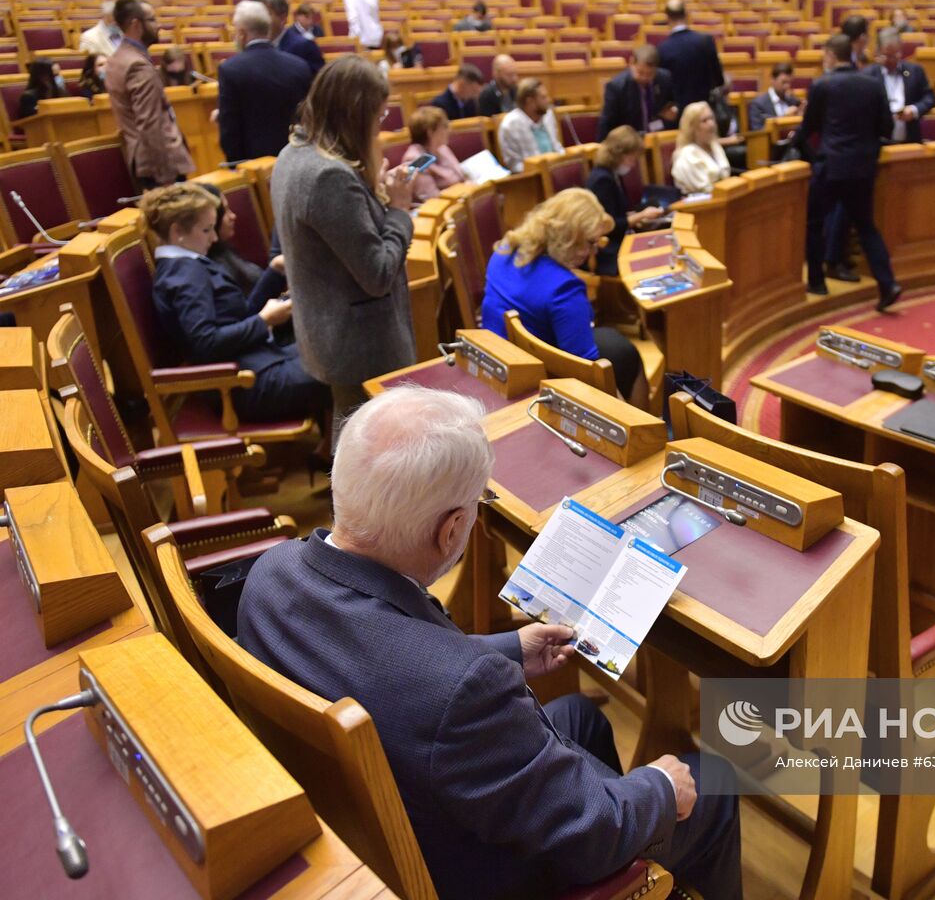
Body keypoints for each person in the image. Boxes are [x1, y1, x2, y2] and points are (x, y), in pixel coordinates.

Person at [238, 386, 742, 900]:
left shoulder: (270, 575)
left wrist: (507, 650)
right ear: (451, 529)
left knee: (582, 720)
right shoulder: (463, 693)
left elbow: (379, 658)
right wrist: (658, 788)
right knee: (712, 783)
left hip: (372, 826)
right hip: (477, 873)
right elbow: (592, 837)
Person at [271, 56, 416, 443]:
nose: (379, 126)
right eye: (378, 115)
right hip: (359, 344)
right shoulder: (329, 176)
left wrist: (373, 196)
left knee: (355, 441)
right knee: (368, 451)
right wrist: (399, 210)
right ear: (356, 114)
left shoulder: (292, 154)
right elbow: (377, 273)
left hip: (331, 330)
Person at [142, 183, 329, 423]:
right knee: (346, 364)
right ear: (177, 230)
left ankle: (327, 451)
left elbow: (236, 316)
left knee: (339, 347)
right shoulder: (184, 275)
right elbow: (205, 341)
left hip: (259, 361)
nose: (215, 237)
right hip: (244, 382)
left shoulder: (188, 265)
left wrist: (272, 274)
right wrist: (264, 320)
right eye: (207, 229)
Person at [481, 189, 645, 405]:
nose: (594, 251)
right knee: (627, 355)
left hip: (495, 361)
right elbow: (587, 374)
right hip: (542, 381)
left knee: (616, 345)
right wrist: (633, 421)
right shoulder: (564, 289)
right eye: (590, 242)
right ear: (568, 240)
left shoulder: (505, 248)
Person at [792, 34, 901, 310]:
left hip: (831, 166)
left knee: (814, 223)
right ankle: (887, 283)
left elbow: (809, 128)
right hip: (863, 168)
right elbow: (886, 127)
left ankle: (816, 281)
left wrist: (804, 151)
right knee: (866, 227)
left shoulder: (822, 85)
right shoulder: (873, 84)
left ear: (830, 55)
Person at [107, 0, 195, 189]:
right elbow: (150, 122)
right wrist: (165, 176)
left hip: (144, 161)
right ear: (136, 24)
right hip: (160, 165)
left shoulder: (117, 59)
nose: (159, 25)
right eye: (153, 20)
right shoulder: (136, 65)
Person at [218, 0, 314, 164]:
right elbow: (309, 118)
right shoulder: (299, 66)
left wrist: (236, 165)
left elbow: (230, 131)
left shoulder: (230, 69)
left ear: (242, 33)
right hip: (298, 159)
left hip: (254, 165)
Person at [587, 127, 664, 276]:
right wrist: (641, 216)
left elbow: (617, 212)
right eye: (632, 158)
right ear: (618, 154)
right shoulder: (602, 180)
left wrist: (638, 216)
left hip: (620, 240)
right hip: (608, 248)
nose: (634, 163)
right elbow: (609, 225)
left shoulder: (612, 174)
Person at [864, 27, 935, 143]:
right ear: (878, 52)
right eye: (886, 55)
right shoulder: (868, 75)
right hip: (878, 142)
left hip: (910, 141)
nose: (891, 60)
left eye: (895, 55)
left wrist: (914, 110)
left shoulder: (914, 71)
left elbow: (930, 98)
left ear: (900, 51)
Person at [196, 181, 263, 294]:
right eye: (225, 211)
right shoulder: (206, 269)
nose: (233, 216)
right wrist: (274, 271)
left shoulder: (223, 249)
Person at [658, 0, 724, 110]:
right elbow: (718, 79)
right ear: (687, 16)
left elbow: (663, 85)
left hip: (679, 110)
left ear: (667, 18)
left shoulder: (662, 48)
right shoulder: (706, 41)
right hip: (705, 107)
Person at [598, 44, 676, 138]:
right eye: (640, 72)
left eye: (650, 74)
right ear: (631, 63)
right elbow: (607, 123)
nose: (644, 78)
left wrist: (673, 110)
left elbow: (674, 103)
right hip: (629, 141)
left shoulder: (664, 78)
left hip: (658, 135)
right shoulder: (617, 87)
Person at [497, 78, 563, 172]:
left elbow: (557, 147)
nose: (548, 101)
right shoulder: (510, 125)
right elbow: (513, 164)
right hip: (531, 178)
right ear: (529, 101)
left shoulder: (548, 114)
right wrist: (540, 170)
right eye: (543, 97)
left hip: (556, 169)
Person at [252, 0, 324, 75]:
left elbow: (318, 84)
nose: (259, 21)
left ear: (282, 18)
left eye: (266, 14)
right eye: (256, 15)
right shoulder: (250, 46)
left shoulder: (304, 47)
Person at [403, 105, 467, 201]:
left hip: (462, 199)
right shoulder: (414, 159)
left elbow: (461, 177)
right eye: (444, 126)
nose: (449, 130)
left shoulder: (442, 149)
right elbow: (431, 198)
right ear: (430, 132)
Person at [670, 102, 730, 195]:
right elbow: (704, 190)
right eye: (704, 121)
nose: (711, 124)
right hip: (699, 205)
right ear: (692, 127)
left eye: (711, 118)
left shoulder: (714, 146)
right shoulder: (686, 155)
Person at [748, 61, 802, 131]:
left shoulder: (794, 101)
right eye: (784, 82)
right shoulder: (758, 104)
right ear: (773, 80)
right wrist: (785, 118)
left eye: (789, 82)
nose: (787, 86)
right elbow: (758, 133)